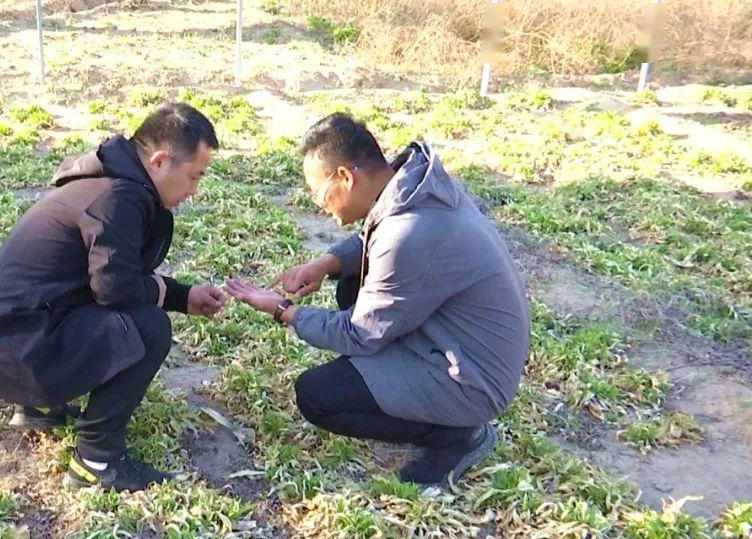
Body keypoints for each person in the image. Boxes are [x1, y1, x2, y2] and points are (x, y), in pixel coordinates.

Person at [227, 113, 530, 486]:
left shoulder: (409, 231)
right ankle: (407, 390)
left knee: (318, 396)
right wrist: (328, 263)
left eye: (319, 193)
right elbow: (378, 242)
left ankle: (458, 436)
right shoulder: (414, 187)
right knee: (350, 283)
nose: (318, 204)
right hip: (465, 348)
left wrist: (282, 309)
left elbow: (356, 333)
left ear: (346, 178)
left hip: (472, 380)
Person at [0, 103, 226, 491]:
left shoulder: (106, 178)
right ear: (159, 161)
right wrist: (170, 297)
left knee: (127, 311)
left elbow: (106, 275)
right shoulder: (117, 197)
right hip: (18, 352)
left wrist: (182, 295)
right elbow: (117, 289)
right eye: (193, 176)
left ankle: (39, 407)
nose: (194, 191)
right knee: (149, 327)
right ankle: (95, 461)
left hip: (4, 342)